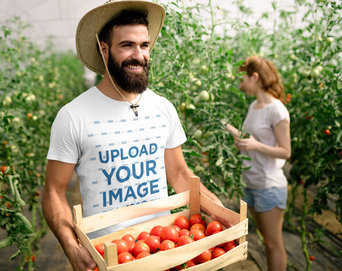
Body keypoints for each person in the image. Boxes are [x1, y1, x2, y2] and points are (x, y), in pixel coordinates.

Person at [42, 1, 224, 270]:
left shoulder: (163, 108)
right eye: (127, 45)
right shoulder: (73, 116)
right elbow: (54, 192)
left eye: (144, 45)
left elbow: (179, 174)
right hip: (107, 255)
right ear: (104, 50)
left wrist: (218, 210)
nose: (138, 55)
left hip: (164, 246)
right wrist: (70, 244)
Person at [222, 56, 291, 271]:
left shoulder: (276, 110)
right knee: (264, 240)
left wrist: (254, 145)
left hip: (269, 186)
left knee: (273, 244)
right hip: (251, 183)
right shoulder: (254, 106)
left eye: (243, 77)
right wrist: (226, 127)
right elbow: (250, 138)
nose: (241, 83)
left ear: (255, 77)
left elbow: (285, 151)